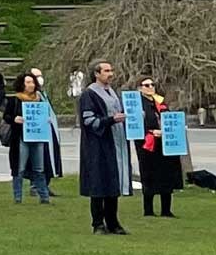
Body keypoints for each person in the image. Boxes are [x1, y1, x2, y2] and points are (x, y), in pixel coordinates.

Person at [78, 60, 130, 236]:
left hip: (115, 143)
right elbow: (88, 121)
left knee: (112, 183)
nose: (110, 74)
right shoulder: (89, 94)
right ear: (97, 74)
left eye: (111, 70)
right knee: (99, 184)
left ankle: (113, 222)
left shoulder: (113, 93)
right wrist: (111, 120)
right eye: (106, 71)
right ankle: (98, 223)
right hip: (98, 145)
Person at [0, 71, 60, 205]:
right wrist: (15, 119)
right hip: (21, 138)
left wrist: (47, 120)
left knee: (39, 168)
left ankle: (44, 197)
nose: (31, 85)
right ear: (22, 84)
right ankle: (18, 198)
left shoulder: (40, 99)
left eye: (32, 82)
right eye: (28, 82)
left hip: (37, 137)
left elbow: (46, 114)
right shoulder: (15, 99)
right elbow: (6, 116)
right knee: (19, 169)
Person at [134, 76, 183, 219]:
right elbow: (135, 126)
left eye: (152, 84)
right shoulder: (138, 105)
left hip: (164, 144)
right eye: (146, 85)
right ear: (139, 88)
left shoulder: (160, 102)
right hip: (148, 144)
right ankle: (148, 209)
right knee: (149, 174)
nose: (150, 87)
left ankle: (166, 210)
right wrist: (150, 132)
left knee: (167, 174)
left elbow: (168, 120)